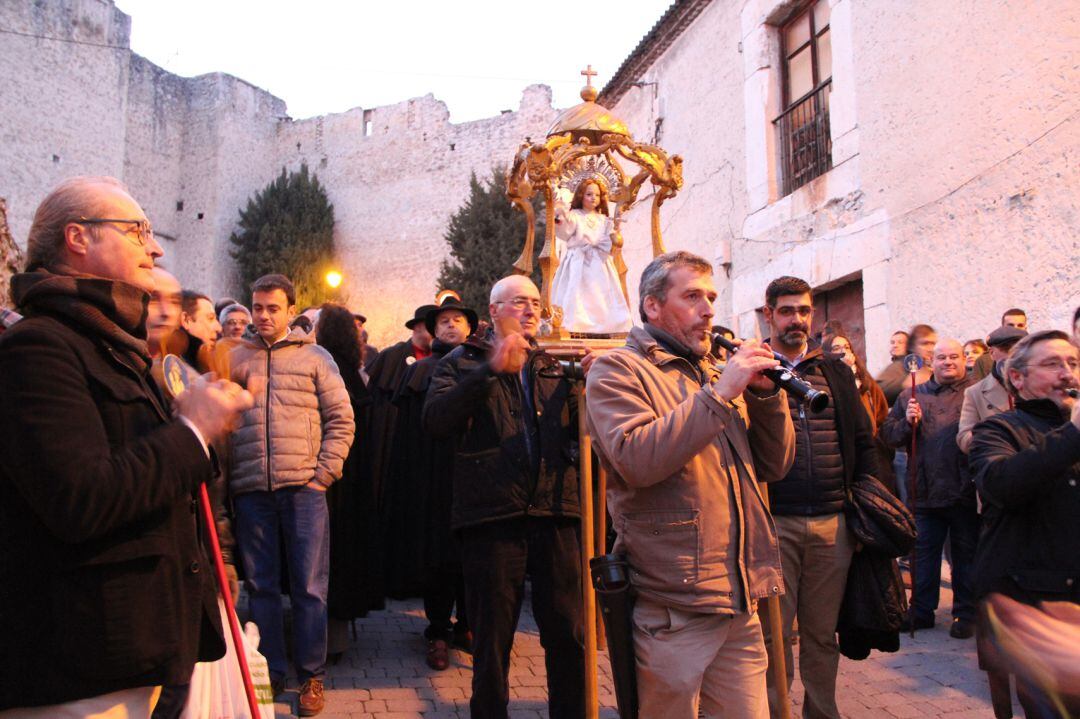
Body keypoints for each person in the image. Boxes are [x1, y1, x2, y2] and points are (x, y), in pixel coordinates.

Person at [0, 176, 251, 714]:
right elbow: (80, 497)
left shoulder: (112, 346)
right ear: (78, 238)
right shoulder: (38, 347)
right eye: (137, 230)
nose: (155, 247)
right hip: (81, 667)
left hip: (135, 651)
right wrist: (193, 431)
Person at [585, 252, 795, 718]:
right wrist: (721, 395)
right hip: (674, 605)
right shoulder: (617, 370)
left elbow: (775, 466)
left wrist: (765, 399)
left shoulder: (715, 371)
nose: (708, 310)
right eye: (693, 296)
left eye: (712, 298)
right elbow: (637, 460)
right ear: (653, 306)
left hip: (739, 599)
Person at [423, 276, 584, 719]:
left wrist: (594, 383)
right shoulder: (460, 362)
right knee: (492, 642)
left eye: (535, 302)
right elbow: (436, 420)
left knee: (569, 637)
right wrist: (489, 372)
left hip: (555, 512)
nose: (531, 310)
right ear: (493, 311)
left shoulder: (554, 364)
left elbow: (581, 434)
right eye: (518, 303)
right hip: (492, 517)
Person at [228, 273, 355, 715]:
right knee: (260, 586)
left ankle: (311, 676)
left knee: (308, 588)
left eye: (272, 308)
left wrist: (323, 474)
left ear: (289, 311)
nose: (263, 315)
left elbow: (342, 419)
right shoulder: (234, 357)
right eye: (257, 307)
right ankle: (270, 670)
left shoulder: (316, 357)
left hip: (303, 488)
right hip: (251, 490)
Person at [760, 277, 879, 719]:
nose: (798, 320)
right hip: (774, 524)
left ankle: (822, 713)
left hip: (833, 524)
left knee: (822, 634)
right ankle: (776, 713)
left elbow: (865, 443)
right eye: (788, 311)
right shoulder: (754, 370)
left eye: (805, 311)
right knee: (774, 635)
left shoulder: (833, 372)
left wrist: (863, 512)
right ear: (769, 314)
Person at [969, 330, 1080, 718]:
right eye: (1052, 364)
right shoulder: (998, 430)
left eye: (1073, 363)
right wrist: (1074, 432)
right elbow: (1003, 484)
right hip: (1030, 602)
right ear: (1017, 378)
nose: (1067, 373)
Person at [384, 296, 478, 670]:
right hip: (434, 478)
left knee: (473, 556)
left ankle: (468, 625)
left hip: (474, 479)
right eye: (444, 322)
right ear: (434, 330)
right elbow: (407, 435)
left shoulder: (484, 366)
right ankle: (438, 631)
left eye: (457, 320)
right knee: (439, 558)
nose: (451, 325)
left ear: (470, 327)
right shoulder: (419, 373)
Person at [881, 339, 977, 638]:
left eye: (954, 357)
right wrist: (907, 423)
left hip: (964, 489)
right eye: (941, 357)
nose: (948, 362)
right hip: (925, 490)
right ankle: (921, 611)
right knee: (923, 555)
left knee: (964, 556)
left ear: (964, 360)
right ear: (930, 362)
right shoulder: (913, 395)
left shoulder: (974, 394)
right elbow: (888, 435)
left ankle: (965, 613)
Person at [313, 303, 379, 660]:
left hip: (329, 477)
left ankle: (327, 637)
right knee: (340, 553)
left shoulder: (327, 370)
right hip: (353, 481)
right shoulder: (352, 373)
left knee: (326, 554)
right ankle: (334, 633)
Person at [550, 177, 633, 335]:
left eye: (597, 195)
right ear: (581, 196)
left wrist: (616, 237)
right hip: (578, 260)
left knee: (602, 295)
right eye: (589, 194)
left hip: (600, 263)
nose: (593, 198)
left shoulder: (604, 219)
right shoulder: (574, 215)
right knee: (576, 294)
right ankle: (574, 326)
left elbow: (612, 237)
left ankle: (606, 326)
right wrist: (559, 214)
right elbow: (565, 230)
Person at [827, 332, 896, 493]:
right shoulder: (828, 379)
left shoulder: (866, 381)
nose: (843, 351)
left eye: (846, 347)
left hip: (870, 446)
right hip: (841, 449)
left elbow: (881, 413)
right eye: (836, 348)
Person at [957, 326, 1026, 454]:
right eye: (1007, 349)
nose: (1013, 355)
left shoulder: (1038, 386)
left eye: (1019, 349)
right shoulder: (975, 392)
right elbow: (964, 440)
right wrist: (994, 432)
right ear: (992, 352)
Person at [874, 330, 910, 405]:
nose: (895, 345)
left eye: (900, 342)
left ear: (909, 346)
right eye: (892, 342)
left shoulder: (907, 365)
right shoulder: (895, 365)